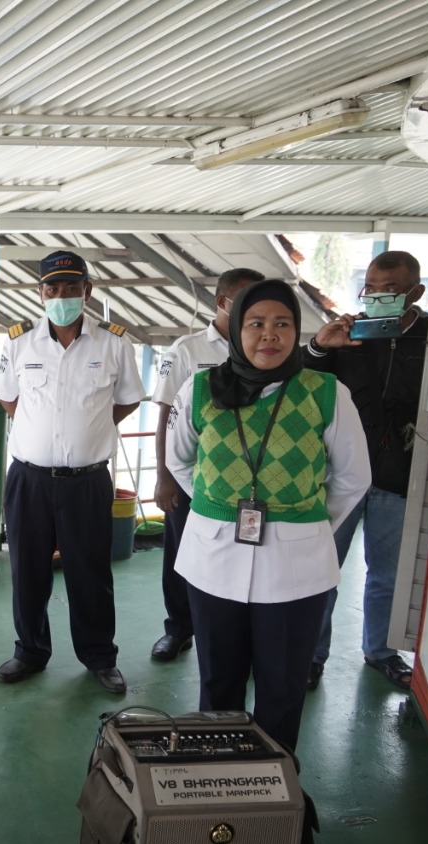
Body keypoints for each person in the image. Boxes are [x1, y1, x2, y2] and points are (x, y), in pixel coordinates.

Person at [165, 279, 369, 750]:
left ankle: (275, 795)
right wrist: (215, 505)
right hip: (212, 563)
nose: (269, 335)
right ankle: (219, 782)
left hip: (295, 570)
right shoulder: (199, 389)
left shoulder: (326, 392)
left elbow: (352, 477)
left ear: (297, 331)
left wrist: (308, 525)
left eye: (282, 324)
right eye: (255, 324)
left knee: (282, 689)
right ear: (236, 329)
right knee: (218, 685)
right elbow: (178, 458)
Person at [0, 250, 144, 694]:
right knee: (27, 569)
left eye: (71, 288)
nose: (61, 297)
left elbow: (128, 399)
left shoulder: (113, 343)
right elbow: (7, 398)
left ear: (87, 291)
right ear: (41, 293)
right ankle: (30, 652)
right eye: (52, 289)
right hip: (29, 479)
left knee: (90, 572)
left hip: (88, 481)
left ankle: (99, 656)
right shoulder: (19, 343)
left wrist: (90, 427)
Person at [305, 250, 428, 690]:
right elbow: (302, 381)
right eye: (371, 287)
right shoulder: (350, 333)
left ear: (415, 292)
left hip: (399, 477)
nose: (377, 296)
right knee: (324, 570)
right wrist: (321, 346)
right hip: (341, 475)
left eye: (390, 289)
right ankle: (312, 655)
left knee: (387, 573)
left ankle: (381, 651)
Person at [150, 268, 266, 662]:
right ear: (223, 303)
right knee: (183, 554)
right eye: (247, 301)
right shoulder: (187, 349)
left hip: (252, 482)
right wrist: (164, 476)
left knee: (245, 556)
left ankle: (243, 636)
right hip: (192, 477)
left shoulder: (266, 348)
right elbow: (165, 415)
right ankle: (179, 630)